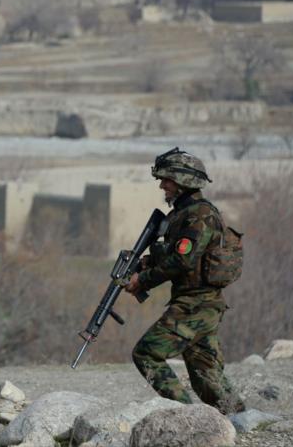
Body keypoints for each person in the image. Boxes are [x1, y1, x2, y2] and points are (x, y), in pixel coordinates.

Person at [125, 147, 245, 414]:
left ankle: (186, 417)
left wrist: (143, 281)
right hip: (200, 305)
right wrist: (144, 263)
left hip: (196, 305)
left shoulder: (199, 215)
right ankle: (242, 421)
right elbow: (172, 255)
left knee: (146, 353)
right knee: (207, 379)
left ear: (182, 181)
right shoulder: (183, 213)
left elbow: (182, 261)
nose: (162, 185)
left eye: (166, 179)